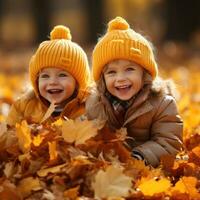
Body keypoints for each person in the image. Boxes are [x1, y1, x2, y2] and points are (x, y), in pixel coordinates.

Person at [86, 16, 183, 167]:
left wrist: (139, 157)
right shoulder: (94, 104)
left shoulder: (162, 103)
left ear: (144, 74)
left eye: (129, 69)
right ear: (102, 79)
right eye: (112, 72)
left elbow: (168, 142)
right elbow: (86, 139)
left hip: (147, 167)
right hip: (110, 168)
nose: (120, 78)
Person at [7, 25, 90, 126]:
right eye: (45, 76)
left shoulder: (89, 108)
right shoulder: (24, 106)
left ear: (77, 82)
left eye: (62, 75)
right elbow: (8, 134)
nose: (53, 82)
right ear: (37, 82)